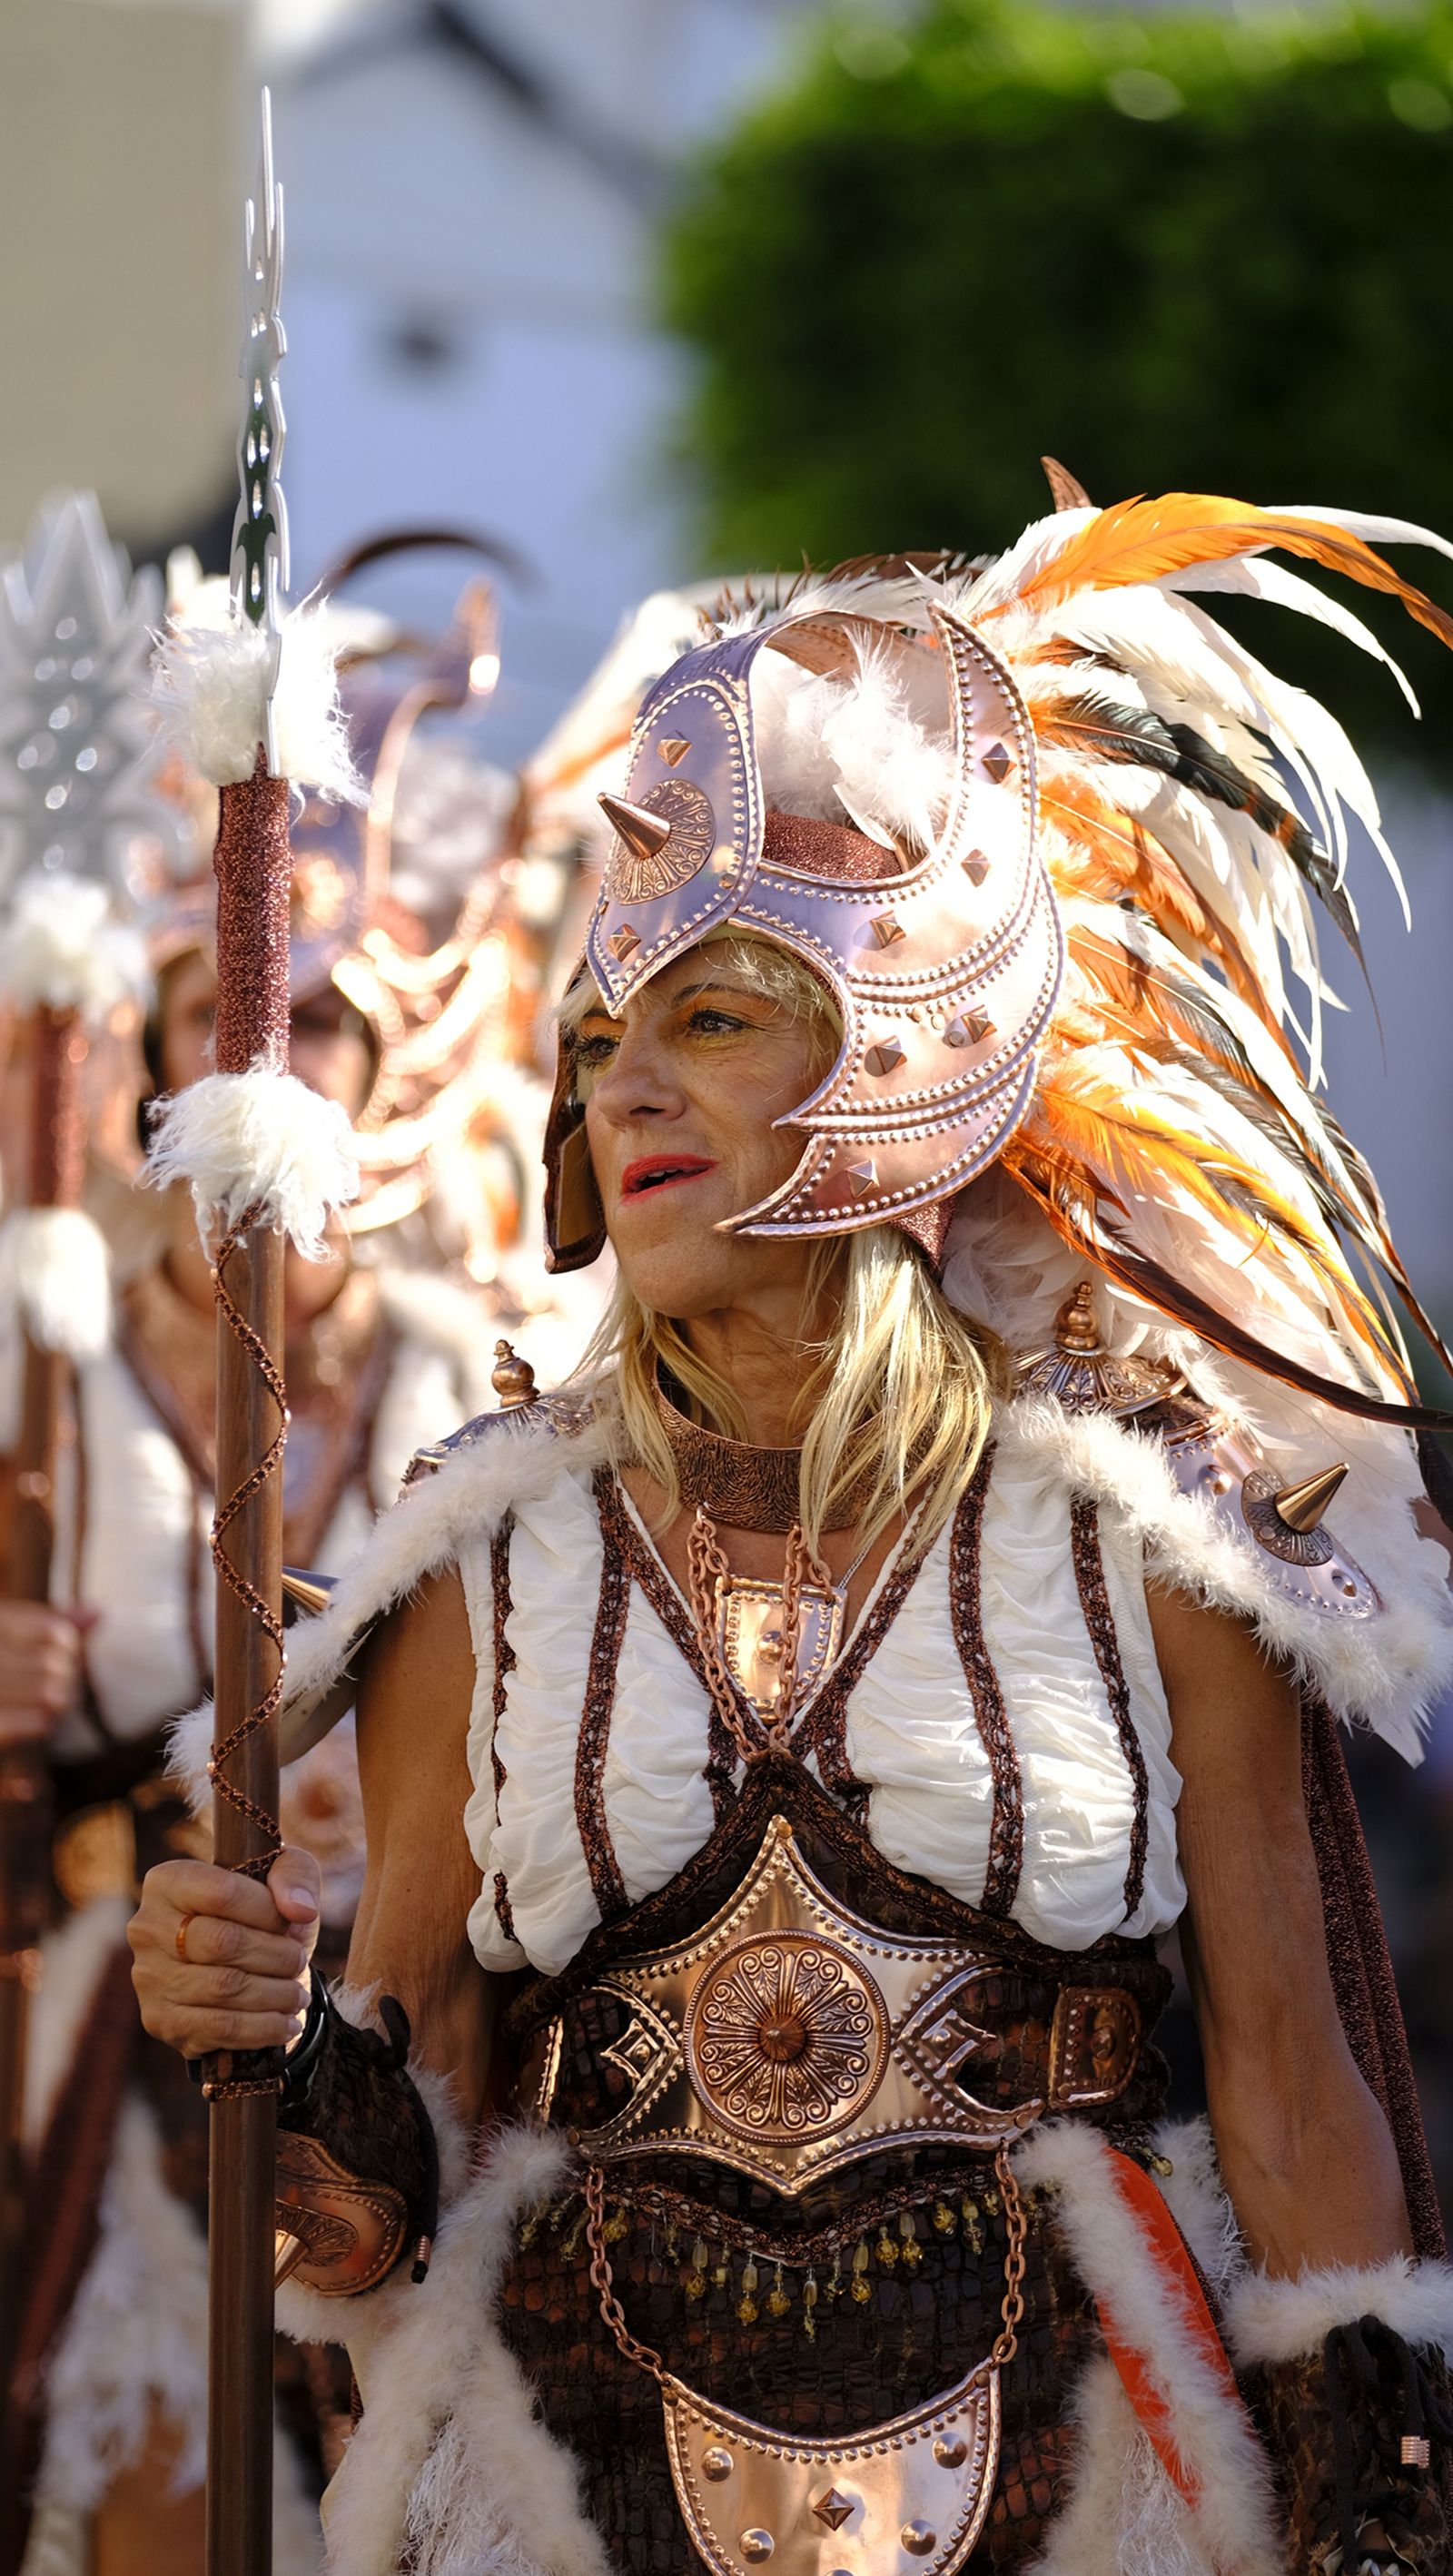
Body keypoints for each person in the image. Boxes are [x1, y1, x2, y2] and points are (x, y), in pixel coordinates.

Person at [131, 487, 1453, 2576]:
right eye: (601, 1046)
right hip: (572, 2492)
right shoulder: (478, 1561)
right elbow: (397, 2166)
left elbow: (1293, 2103)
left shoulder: (1151, 1542)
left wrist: (1371, 2512)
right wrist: (268, 2038)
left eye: (712, 1020)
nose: (625, 1091)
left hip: (1083, 2485)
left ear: (897, 1055)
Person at [3, 557, 591, 2576]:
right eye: (230, 1009)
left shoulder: (483, 1367)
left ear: (384, 1060)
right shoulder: (43, 1362)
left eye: (326, 1017)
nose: (279, 1049)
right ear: (159, 1058)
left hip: (416, 2045)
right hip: (122, 2032)